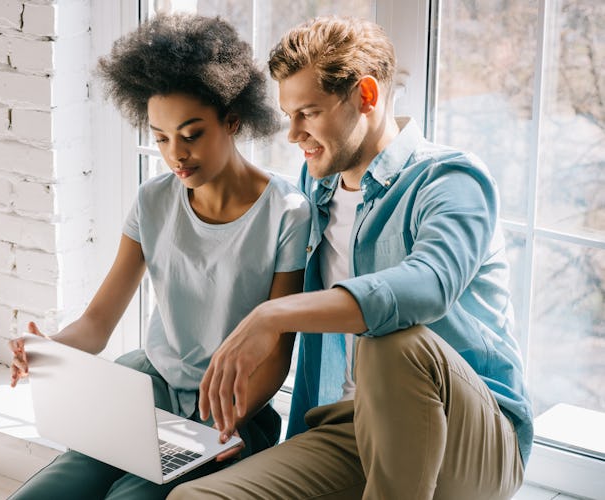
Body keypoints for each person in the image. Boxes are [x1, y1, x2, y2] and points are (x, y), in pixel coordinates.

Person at [169, 16, 533, 500]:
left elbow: (428, 286)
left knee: (391, 342)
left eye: (309, 112)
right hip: (351, 427)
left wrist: (274, 315)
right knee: (193, 498)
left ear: (365, 96)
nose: (293, 133)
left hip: (471, 437)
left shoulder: (450, 180)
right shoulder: (313, 189)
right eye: (288, 114)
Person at [6, 13, 312, 500]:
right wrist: (47, 352)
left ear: (232, 120)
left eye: (192, 134)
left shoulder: (288, 213)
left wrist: (221, 427)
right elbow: (98, 322)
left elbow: (276, 356)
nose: (176, 155)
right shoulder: (153, 200)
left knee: (128, 498)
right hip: (143, 390)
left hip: (231, 413)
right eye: (162, 137)